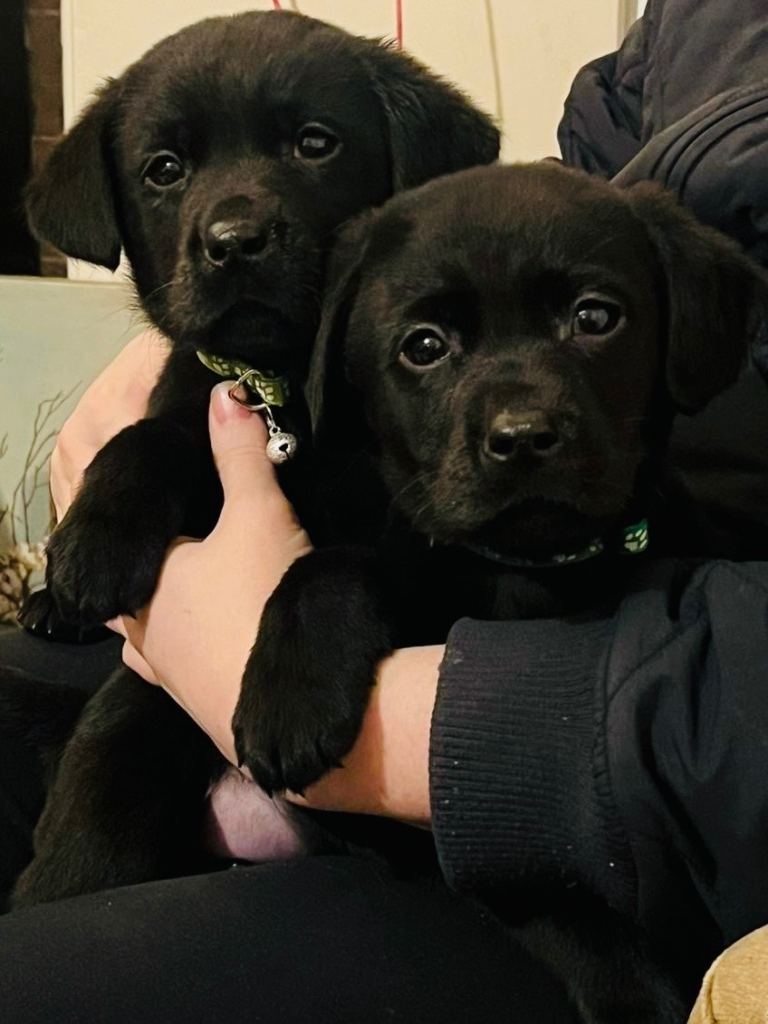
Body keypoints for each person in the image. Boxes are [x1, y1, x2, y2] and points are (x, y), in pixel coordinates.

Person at [3, 0, 768, 1019]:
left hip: (591, 694)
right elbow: (510, 231)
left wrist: (391, 712)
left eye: (312, 144)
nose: (231, 218)